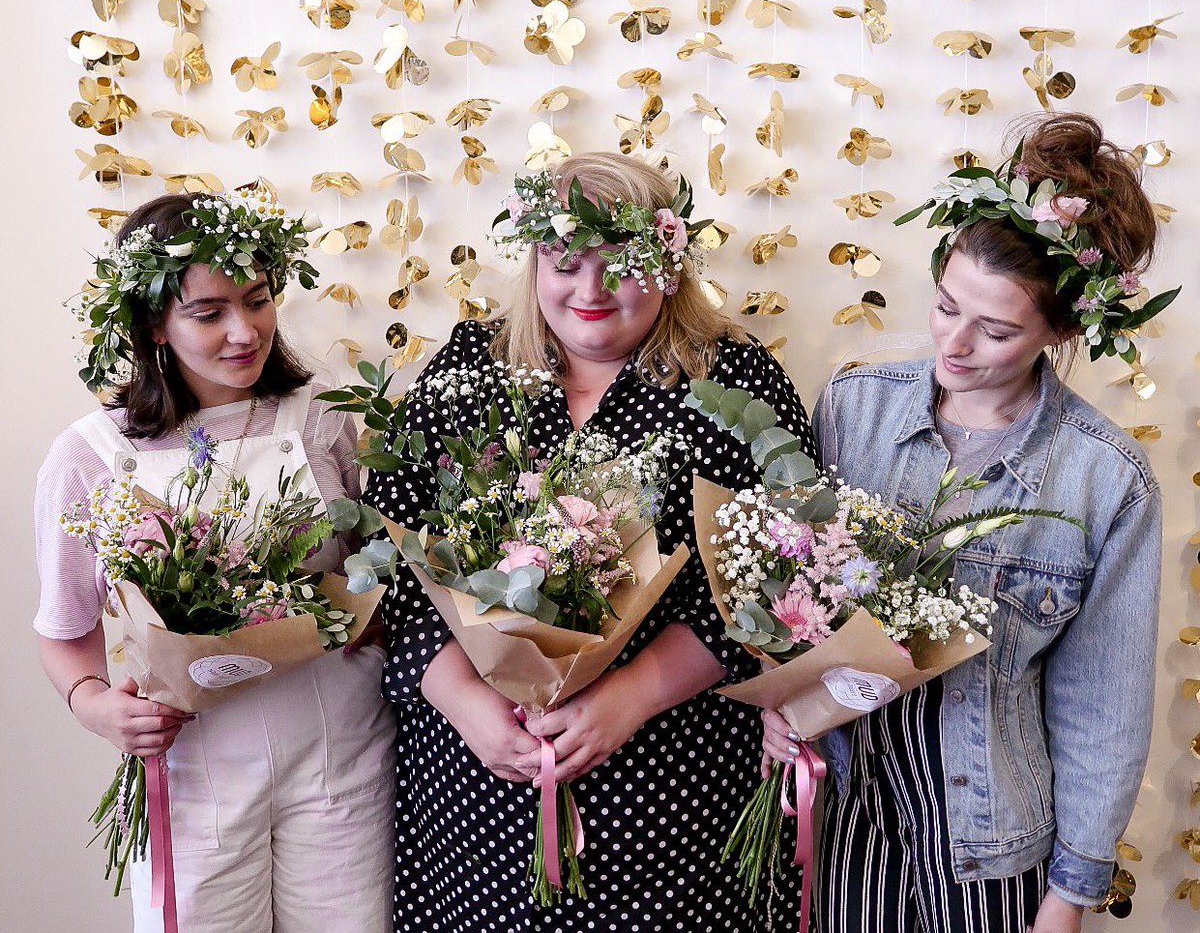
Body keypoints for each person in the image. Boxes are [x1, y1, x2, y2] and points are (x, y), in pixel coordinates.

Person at [363, 152, 819, 931]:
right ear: (534, 258)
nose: (589, 290)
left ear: (670, 265)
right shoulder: (470, 365)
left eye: (621, 266)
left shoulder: (737, 378)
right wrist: (469, 704)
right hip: (477, 793)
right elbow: (389, 552)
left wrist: (628, 697)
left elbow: (779, 579)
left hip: (672, 786)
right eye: (564, 262)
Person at [760, 113, 1172, 932]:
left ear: (1061, 330)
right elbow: (795, 599)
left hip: (989, 847)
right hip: (843, 817)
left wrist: (1069, 899)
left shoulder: (1106, 478)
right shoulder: (852, 407)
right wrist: (784, 704)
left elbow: (1104, 706)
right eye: (947, 307)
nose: (955, 342)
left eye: (997, 329)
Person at [34, 186, 394, 933]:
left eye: (258, 299)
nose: (244, 330)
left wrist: (366, 622)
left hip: (340, 745)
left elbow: (382, 569)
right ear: (154, 325)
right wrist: (100, 707)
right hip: (192, 763)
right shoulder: (90, 457)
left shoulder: (323, 417)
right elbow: (64, 629)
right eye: (209, 313)